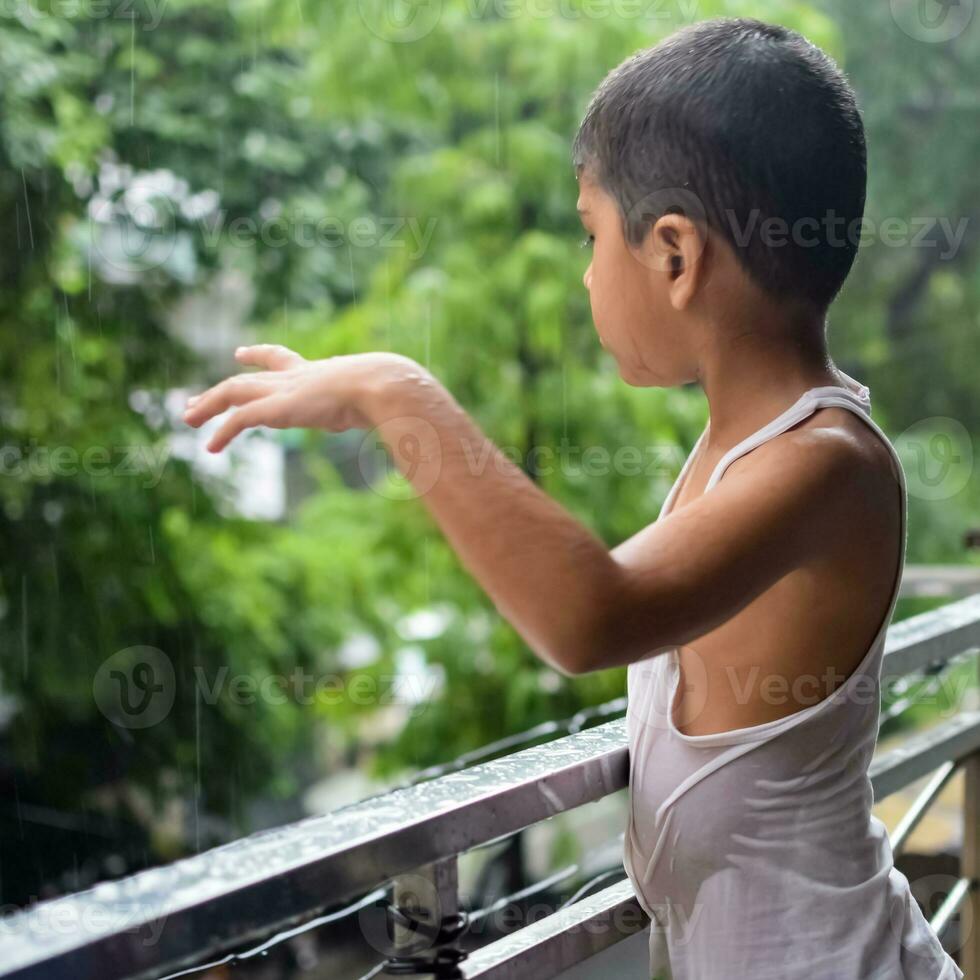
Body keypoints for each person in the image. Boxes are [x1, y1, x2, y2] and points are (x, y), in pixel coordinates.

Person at [183, 17, 962, 979]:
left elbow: (590, 612)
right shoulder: (746, 446)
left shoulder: (829, 463)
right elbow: (586, 577)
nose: (588, 274)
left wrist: (396, 393)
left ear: (674, 256)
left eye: (593, 236)